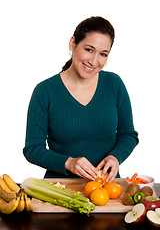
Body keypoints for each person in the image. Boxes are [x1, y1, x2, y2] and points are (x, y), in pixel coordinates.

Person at [23, 16, 139, 183]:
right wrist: (68, 163)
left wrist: (115, 157)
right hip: (60, 187)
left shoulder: (114, 84)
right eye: (89, 49)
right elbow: (32, 149)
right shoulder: (44, 91)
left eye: (103, 54)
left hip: (106, 187)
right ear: (72, 44)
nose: (93, 61)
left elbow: (128, 135)